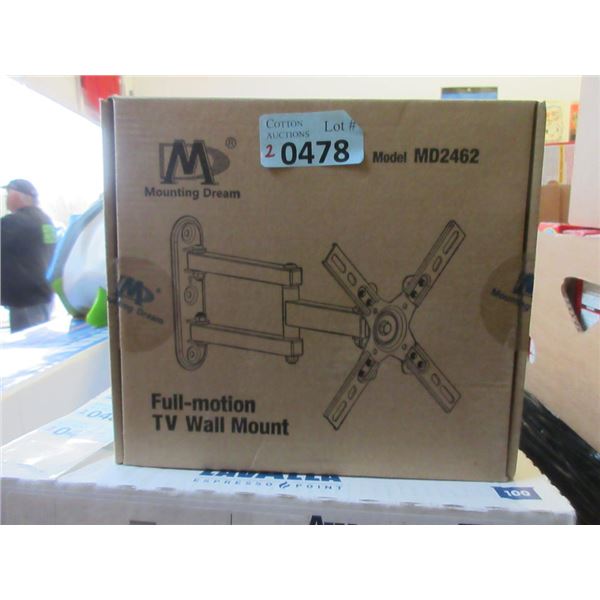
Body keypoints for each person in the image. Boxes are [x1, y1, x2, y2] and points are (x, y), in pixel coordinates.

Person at [1, 179, 57, 332]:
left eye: (8, 193)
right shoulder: (46, 221)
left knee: (29, 342)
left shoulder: (15, 222)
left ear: (19, 196)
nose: (6, 198)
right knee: (41, 338)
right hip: (43, 295)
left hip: (25, 300)